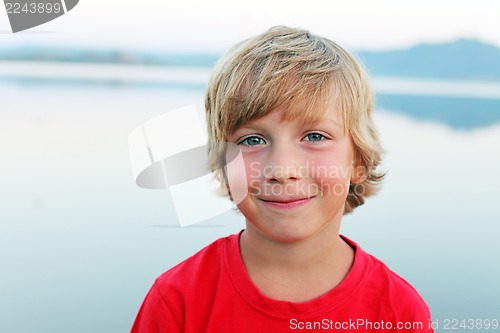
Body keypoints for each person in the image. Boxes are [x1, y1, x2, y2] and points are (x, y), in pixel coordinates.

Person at [131, 26, 433, 332]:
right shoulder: (177, 300)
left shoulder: (399, 312)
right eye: (252, 140)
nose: (281, 169)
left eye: (315, 136)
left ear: (358, 161)